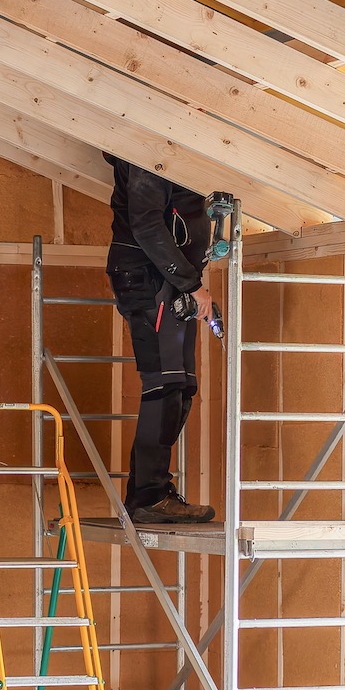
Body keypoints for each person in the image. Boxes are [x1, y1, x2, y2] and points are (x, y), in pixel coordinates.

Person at [105, 154, 217, 525]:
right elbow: (147, 225)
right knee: (165, 385)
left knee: (181, 388)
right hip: (150, 279)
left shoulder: (175, 149)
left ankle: (151, 492)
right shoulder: (149, 147)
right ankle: (148, 497)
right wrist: (192, 284)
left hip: (169, 283)